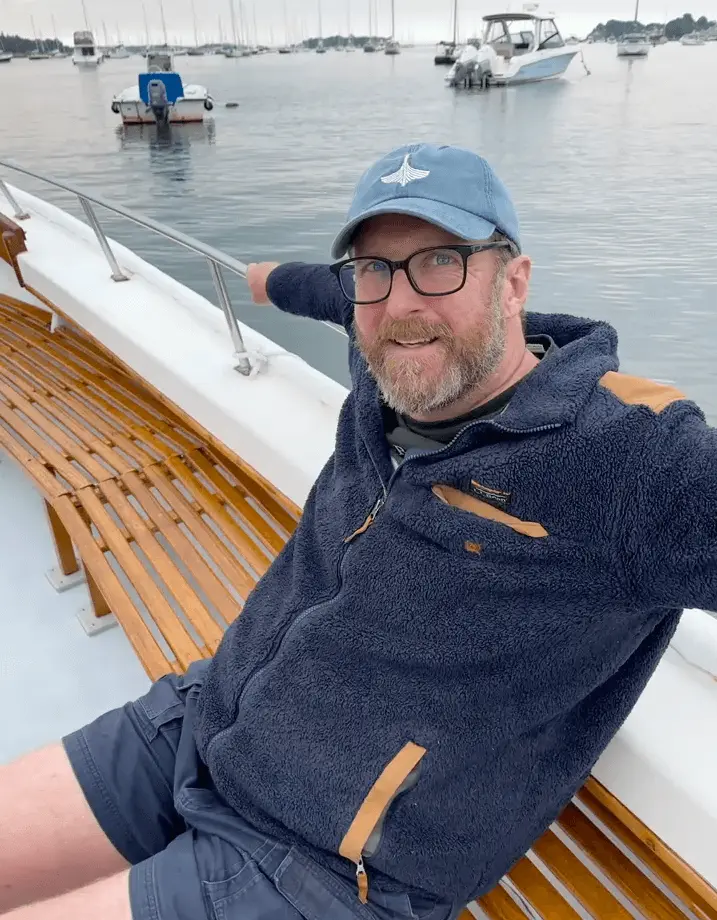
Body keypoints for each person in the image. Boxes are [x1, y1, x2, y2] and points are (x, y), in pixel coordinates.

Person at [1, 142, 716, 920]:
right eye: (373, 269)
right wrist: (264, 282)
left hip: (327, 866)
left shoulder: (630, 460)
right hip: (207, 716)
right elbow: (327, 291)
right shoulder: (382, 346)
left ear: (514, 282)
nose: (401, 303)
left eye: (440, 261)